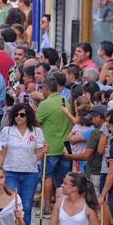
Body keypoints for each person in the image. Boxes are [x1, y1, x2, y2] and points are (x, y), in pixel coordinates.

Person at [0, 103, 46, 225]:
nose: (18, 117)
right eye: (16, 114)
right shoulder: (7, 130)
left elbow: (36, 156)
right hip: (10, 171)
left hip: (30, 172)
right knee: (10, 206)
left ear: (28, 116)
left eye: (22, 115)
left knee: (27, 207)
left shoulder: (36, 132)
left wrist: (42, 151)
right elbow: (1, 153)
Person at [37, 76, 72, 216]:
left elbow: (35, 122)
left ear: (46, 88)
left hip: (50, 147)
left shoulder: (45, 104)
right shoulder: (65, 100)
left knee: (47, 176)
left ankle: (47, 208)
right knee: (63, 178)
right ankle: (64, 206)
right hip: (64, 147)